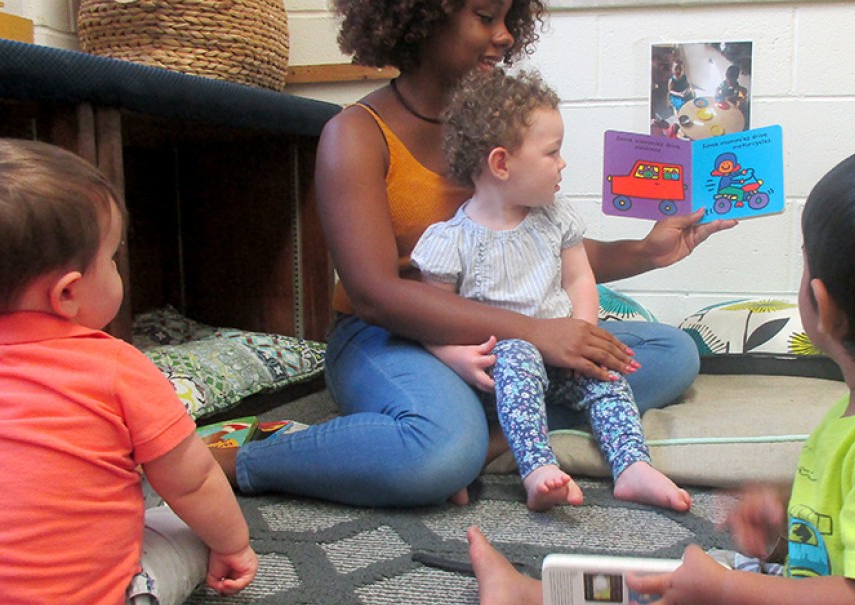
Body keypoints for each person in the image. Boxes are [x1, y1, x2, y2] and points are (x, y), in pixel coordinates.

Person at [467, 135, 855, 605]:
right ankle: (534, 602)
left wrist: (729, 594)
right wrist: (792, 528)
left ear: (823, 307)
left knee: (713, 601)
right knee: (697, 602)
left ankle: (538, 603)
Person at [217, 0, 734, 508]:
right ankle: (250, 461)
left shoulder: (501, 125)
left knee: (672, 353)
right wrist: (539, 335)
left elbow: (539, 255)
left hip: (506, 333)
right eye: (486, 17)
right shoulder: (355, 134)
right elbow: (375, 295)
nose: (506, 35)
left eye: (510, 19)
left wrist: (647, 250)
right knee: (438, 452)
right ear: (420, 17)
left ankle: (496, 435)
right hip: (392, 335)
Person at [0, 138, 258, 605]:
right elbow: (193, 481)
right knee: (183, 525)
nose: (117, 270)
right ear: (67, 292)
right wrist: (233, 544)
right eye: (112, 259)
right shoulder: (116, 366)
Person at [409, 67, 691, 513]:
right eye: (553, 153)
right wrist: (455, 357)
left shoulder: (555, 217)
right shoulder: (451, 240)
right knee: (519, 359)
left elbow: (579, 278)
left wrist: (585, 336)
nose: (563, 164)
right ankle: (537, 466)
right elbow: (430, 316)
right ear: (501, 163)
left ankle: (633, 466)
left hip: (562, 355)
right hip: (498, 369)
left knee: (609, 379)